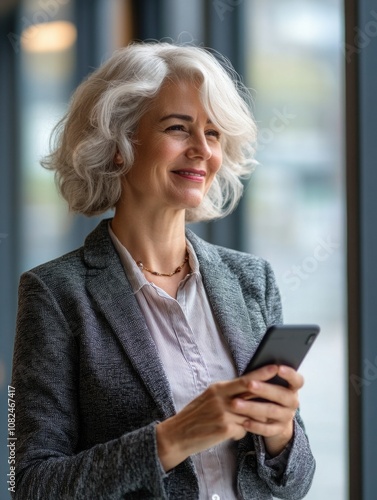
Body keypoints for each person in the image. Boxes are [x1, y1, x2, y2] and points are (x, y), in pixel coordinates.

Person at [12, 42, 315, 499]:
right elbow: (31, 484)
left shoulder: (253, 281)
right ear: (119, 144)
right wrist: (173, 438)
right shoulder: (55, 294)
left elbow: (295, 482)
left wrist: (281, 435)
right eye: (179, 128)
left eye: (212, 134)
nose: (201, 150)